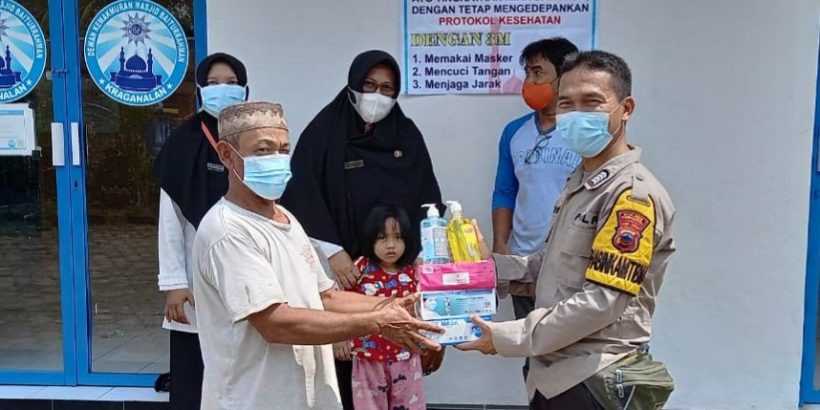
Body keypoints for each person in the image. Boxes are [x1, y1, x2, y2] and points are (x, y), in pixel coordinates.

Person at [459, 50, 677, 410]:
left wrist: (506, 336)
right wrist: (490, 268)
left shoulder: (632, 196)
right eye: (566, 104)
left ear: (626, 108)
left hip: (593, 377)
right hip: (554, 372)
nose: (576, 115)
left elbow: (602, 301)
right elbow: (554, 266)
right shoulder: (584, 181)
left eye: (592, 102)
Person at [192, 101, 442, 410]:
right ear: (226, 155)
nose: (278, 159)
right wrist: (376, 321)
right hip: (256, 400)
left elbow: (326, 298)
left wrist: (400, 310)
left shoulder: (284, 217)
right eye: (263, 150)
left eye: (284, 150)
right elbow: (275, 323)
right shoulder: (227, 232)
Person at [280, 49, 445, 409]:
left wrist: (417, 263)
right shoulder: (325, 131)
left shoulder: (407, 136)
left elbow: (427, 201)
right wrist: (334, 252)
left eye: (387, 88)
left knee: (400, 374)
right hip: (342, 275)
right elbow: (301, 192)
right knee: (345, 370)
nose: (377, 96)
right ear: (353, 85)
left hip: (395, 272)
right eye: (369, 85)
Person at [152, 52, 249, 409]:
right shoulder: (182, 143)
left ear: (245, 88)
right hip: (196, 279)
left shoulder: (256, 139)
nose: (222, 90)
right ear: (199, 90)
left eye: (230, 83)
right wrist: (175, 283)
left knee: (243, 372)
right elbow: (170, 220)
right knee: (195, 377)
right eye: (212, 83)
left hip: (247, 272)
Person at [492, 37, 581, 311]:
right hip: (523, 261)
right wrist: (500, 244)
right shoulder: (513, 132)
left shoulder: (584, 130)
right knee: (528, 342)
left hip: (569, 261)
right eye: (528, 73)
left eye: (538, 73)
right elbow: (505, 191)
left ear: (564, 77)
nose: (530, 81)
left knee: (564, 347)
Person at [340, 204, 426, 410]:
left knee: (409, 405)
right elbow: (337, 301)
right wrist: (338, 338)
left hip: (406, 355)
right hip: (367, 357)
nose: (391, 245)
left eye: (398, 237)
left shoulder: (413, 272)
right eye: (382, 238)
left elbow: (426, 308)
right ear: (370, 238)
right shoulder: (359, 268)